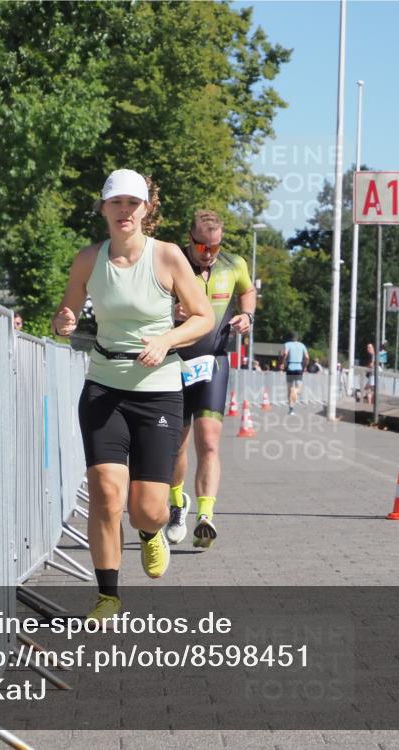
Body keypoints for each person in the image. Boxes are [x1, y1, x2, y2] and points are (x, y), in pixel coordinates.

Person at [52, 169, 214, 621]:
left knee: (147, 510)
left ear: (147, 209)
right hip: (104, 385)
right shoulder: (88, 259)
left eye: (133, 203)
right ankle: (107, 595)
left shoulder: (167, 258)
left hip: (158, 391)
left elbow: (203, 318)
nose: (124, 211)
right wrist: (62, 322)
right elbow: (64, 313)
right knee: (105, 493)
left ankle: (149, 532)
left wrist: (166, 340)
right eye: (116, 203)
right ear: (103, 208)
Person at [165, 210, 255, 550]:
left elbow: (247, 292)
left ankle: (206, 516)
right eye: (202, 246)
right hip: (175, 360)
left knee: (210, 441)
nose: (208, 253)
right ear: (190, 239)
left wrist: (247, 315)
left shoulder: (234, 264)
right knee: (176, 443)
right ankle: (177, 505)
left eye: (214, 247)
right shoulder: (171, 261)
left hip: (214, 361)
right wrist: (169, 313)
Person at [281, 332, 309, 414]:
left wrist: (283, 362)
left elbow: (285, 353)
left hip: (290, 367)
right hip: (299, 367)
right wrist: (305, 366)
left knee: (289, 390)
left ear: (290, 337)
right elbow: (307, 357)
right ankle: (295, 391)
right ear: (297, 338)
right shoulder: (302, 345)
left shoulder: (287, 344)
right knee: (298, 389)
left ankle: (291, 409)